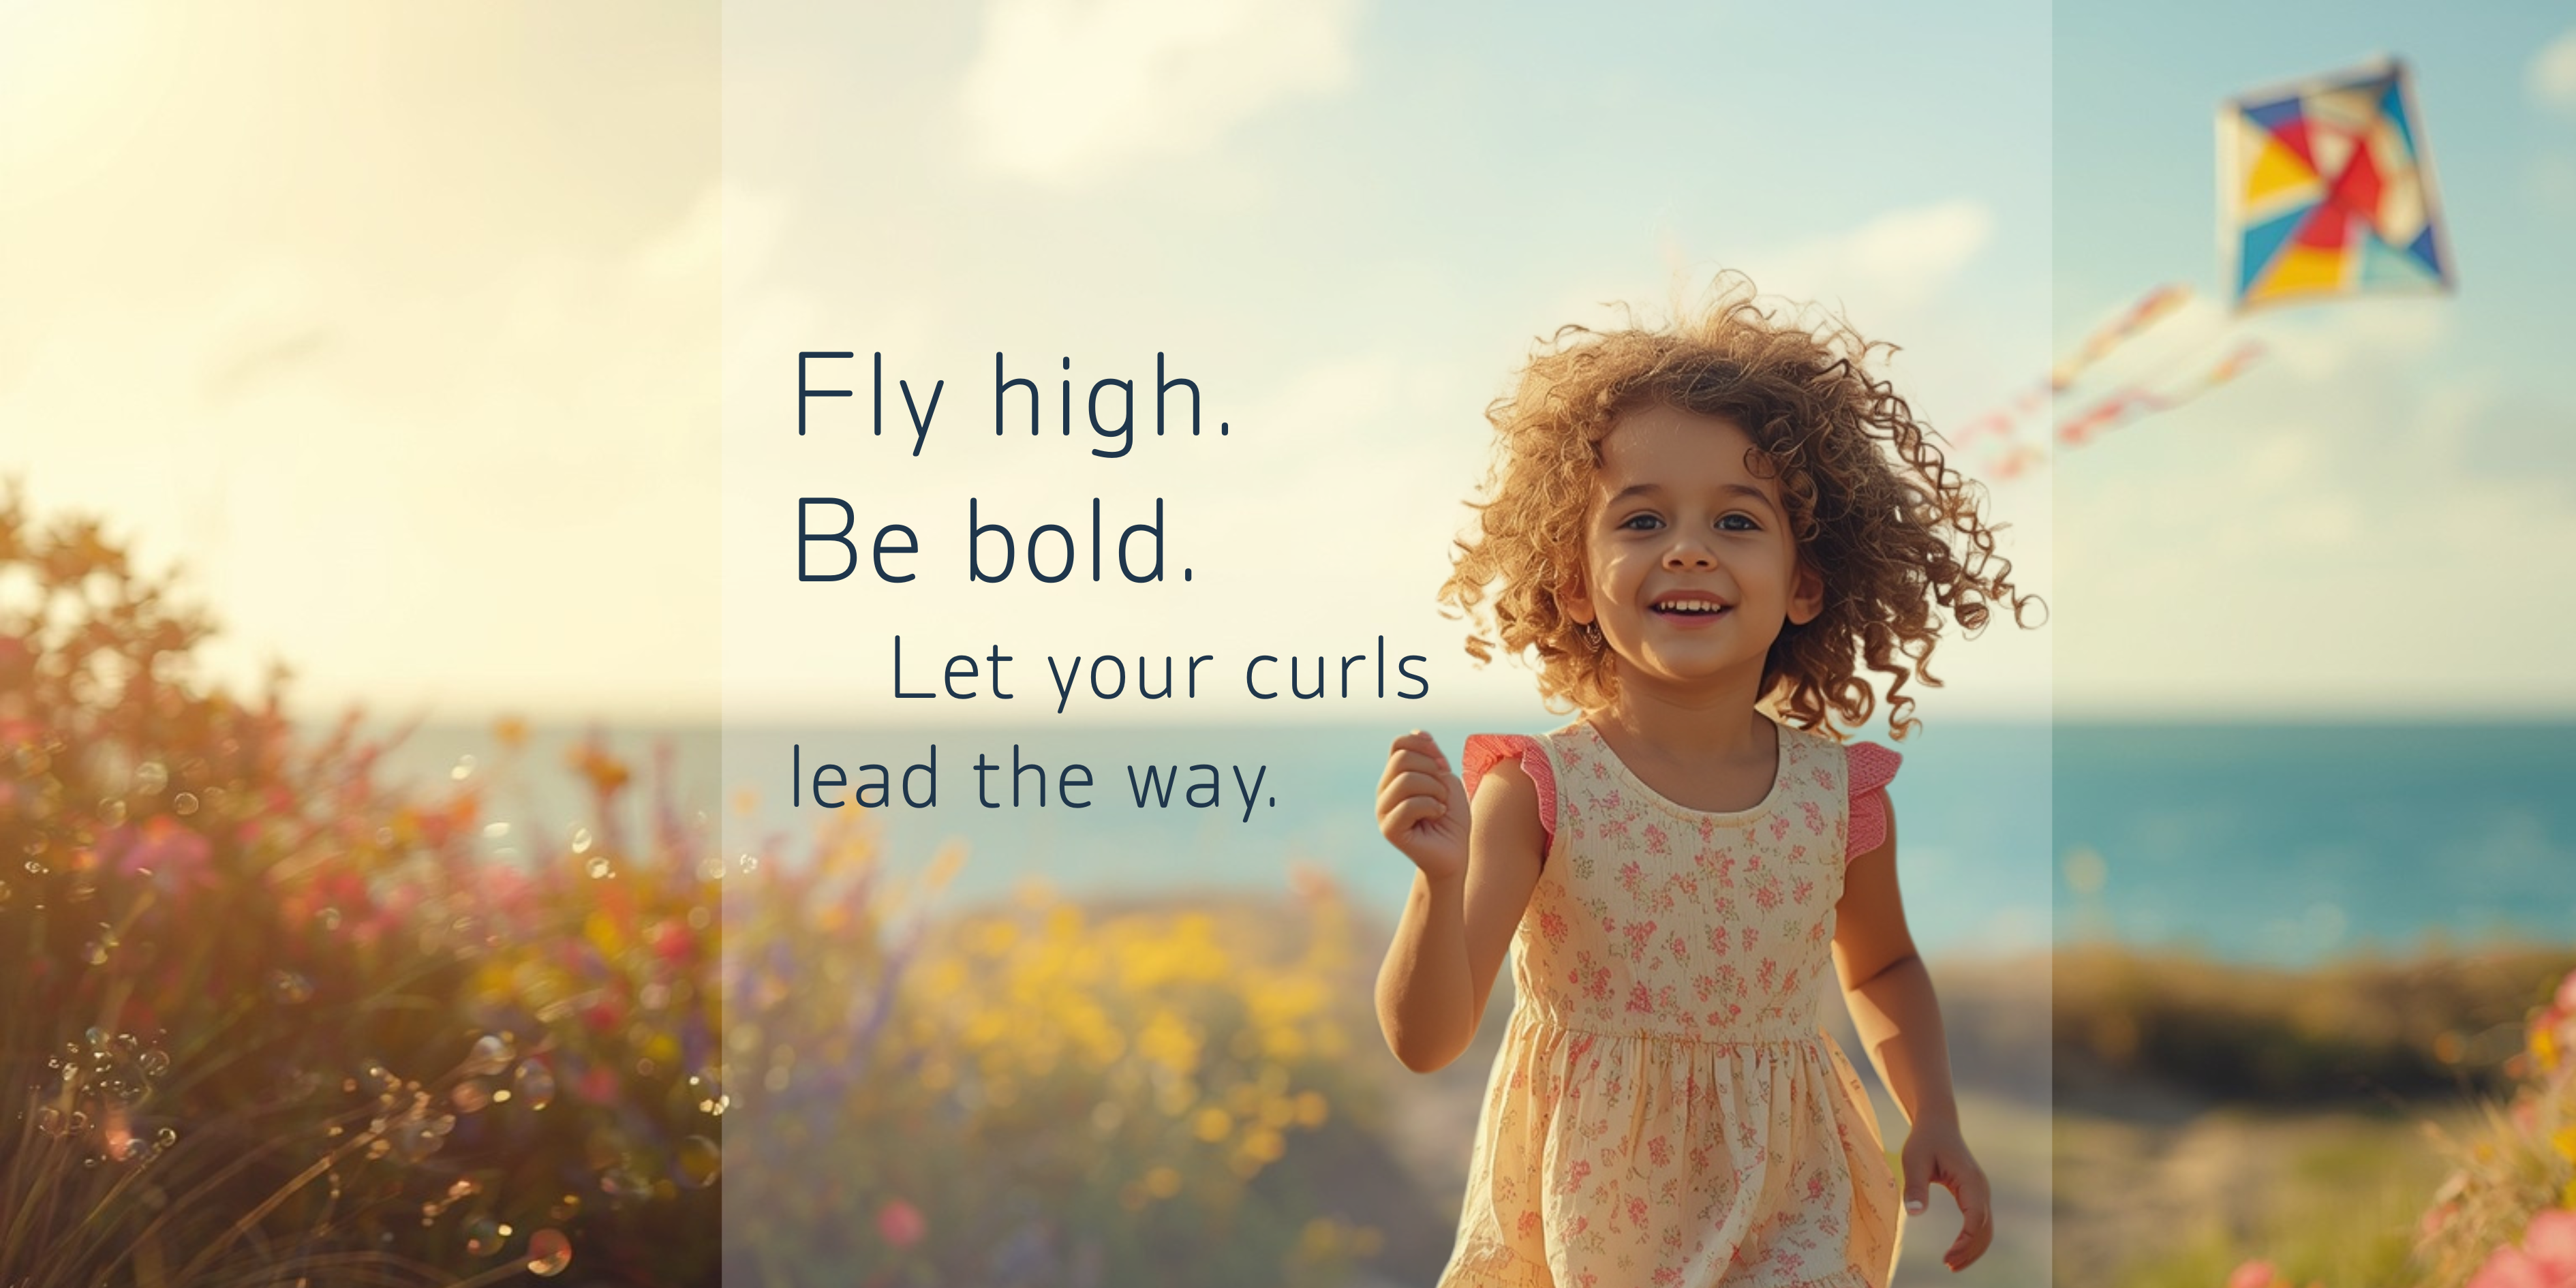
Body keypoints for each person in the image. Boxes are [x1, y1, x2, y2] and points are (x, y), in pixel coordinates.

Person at [1373, 275, 2042, 1286]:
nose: (1688, 546)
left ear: (1806, 580)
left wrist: (1932, 1109)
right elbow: (1427, 1039)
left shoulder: (1839, 798)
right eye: (1640, 521)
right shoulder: (1539, 789)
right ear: (1572, 580)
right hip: (1592, 1228)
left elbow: (1882, 969)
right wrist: (1438, 883)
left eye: (1737, 522)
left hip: (1793, 1200)